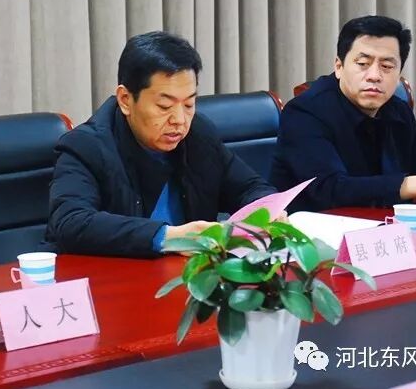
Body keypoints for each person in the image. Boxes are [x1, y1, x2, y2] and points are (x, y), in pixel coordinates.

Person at [45, 31, 276, 257]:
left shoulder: (198, 133)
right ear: (125, 100)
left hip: (185, 275)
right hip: (110, 276)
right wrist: (169, 237)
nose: (179, 120)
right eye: (164, 106)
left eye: (189, 104)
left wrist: (268, 210)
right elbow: (71, 222)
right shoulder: (86, 146)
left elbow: (249, 187)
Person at [270, 15, 416, 211]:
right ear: (339, 66)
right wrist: (414, 184)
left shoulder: (396, 111)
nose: (374, 75)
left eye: (387, 66)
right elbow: (329, 189)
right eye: (363, 63)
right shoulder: (305, 112)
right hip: (313, 236)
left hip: (383, 230)